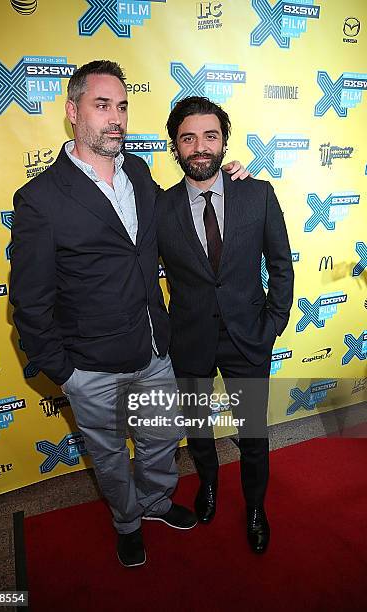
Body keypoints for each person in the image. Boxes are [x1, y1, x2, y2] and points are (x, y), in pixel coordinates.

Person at [9, 61, 247, 568]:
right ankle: (127, 522)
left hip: (155, 352)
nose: (115, 118)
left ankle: (157, 502)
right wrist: (66, 374)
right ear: (73, 112)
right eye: (102, 105)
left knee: (160, 442)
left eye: (121, 106)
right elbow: (29, 304)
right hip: (91, 368)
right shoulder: (40, 200)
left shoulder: (138, 172)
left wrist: (225, 183)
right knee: (112, 459)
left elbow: (181, 216)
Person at [157, 96, 294, 553]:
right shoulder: (160, 208)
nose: (200, 146)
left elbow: (281, 264)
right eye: (188, 138)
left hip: (248, 338)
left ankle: (256, 508)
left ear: (224, 142)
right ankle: (208, 484)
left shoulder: (258, 194)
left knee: (252, 434)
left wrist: (273, 322)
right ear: (175, 147)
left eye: (209, 136)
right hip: (189, 340)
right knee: (198, 429)